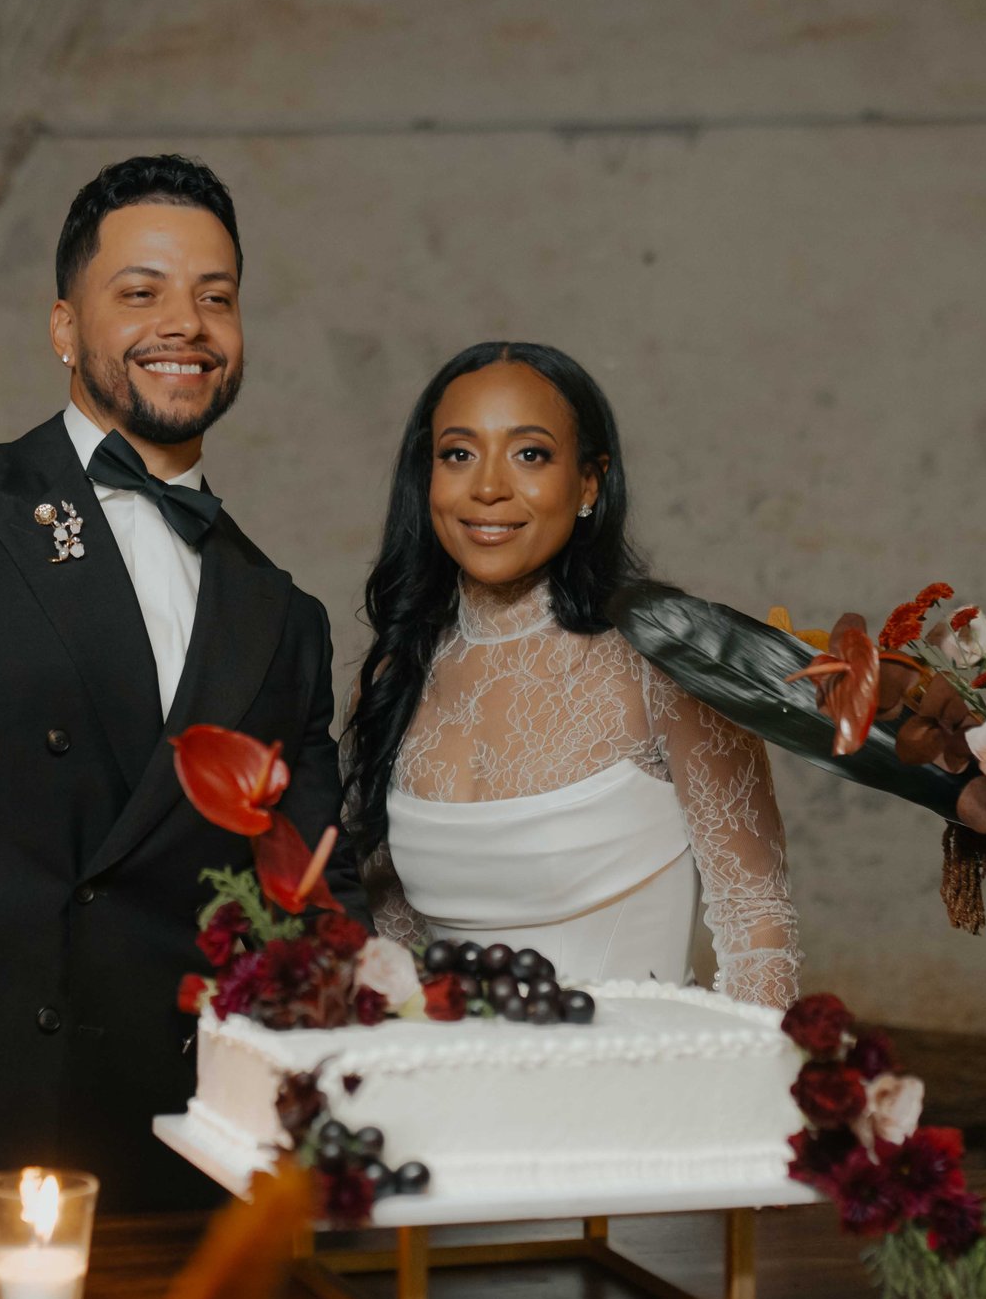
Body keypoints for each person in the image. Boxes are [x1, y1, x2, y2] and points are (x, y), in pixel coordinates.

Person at [0, 155, 352, 1222]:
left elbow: (313, 890)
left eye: (215, 296)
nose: (183, 322)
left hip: (176, 1145)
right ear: (63, 326)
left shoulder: (284, 616)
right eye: (140, 292)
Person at [342, 342, 800, 1006]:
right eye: (458, 453)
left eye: (530, 453)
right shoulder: (394, 672)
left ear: (590, 480)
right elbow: (393, 932)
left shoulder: (667, 663)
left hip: (634, 1091)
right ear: (427, 477)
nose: (489, 486)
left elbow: (757, 917)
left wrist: (749, 1091)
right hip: (441, 1093)